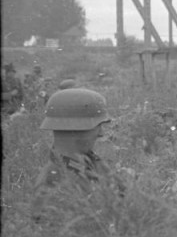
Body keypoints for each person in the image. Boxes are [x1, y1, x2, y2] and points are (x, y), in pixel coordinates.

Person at [33, 88, 125, 221]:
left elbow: (123, 194)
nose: (101, 134)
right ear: (75, 128)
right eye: (97, 126)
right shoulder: (51, 185)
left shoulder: (90, 161)